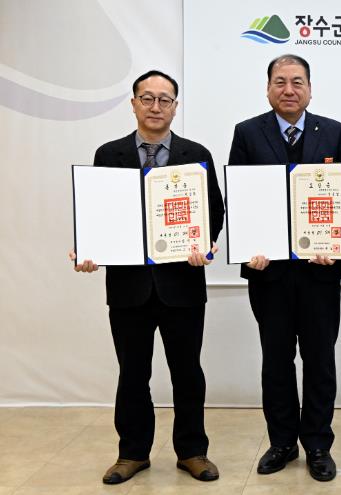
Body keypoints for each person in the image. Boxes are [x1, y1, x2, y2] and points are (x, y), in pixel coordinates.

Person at [70, 70, 224, 484]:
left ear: (175, 106)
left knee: (187, 373)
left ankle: (192, 451)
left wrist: (204, 243)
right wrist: (90, 250)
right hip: (128, 288)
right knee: (133, 374)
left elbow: (214, 210)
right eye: (148, 98)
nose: (156, 107)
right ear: (134, 103)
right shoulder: (109, 154)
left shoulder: (196, 154)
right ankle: (132, 453)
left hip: (182, 285)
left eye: (165, 100)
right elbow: (99, 213)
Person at [227, 54, 341, 482]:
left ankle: (317, 444)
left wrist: (338, 249)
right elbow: (239, 198)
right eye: (280, 81)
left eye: (297, 81)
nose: (289, 89)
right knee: (276, 361)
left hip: (319, 272)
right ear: (268, 89)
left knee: (320, 361)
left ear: (310, 89)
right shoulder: (248, 132)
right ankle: (281, 442)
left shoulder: (333, 132)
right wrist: (247, 247)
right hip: (269, 273)